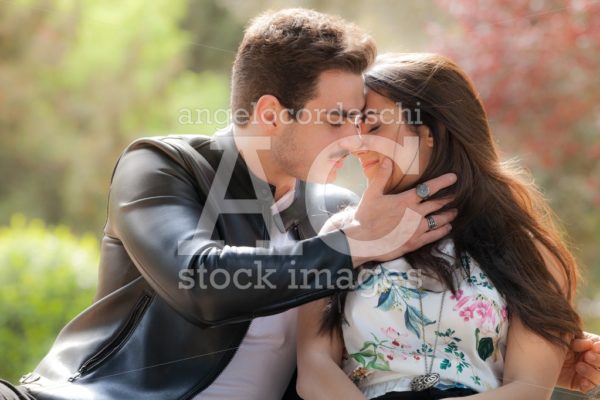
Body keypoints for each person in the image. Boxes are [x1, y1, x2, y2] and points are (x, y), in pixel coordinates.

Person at [0, 9, 598, 400]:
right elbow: (200, 280)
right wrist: (356, 245)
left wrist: (534, 358)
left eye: (363, 121)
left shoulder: (337, 209)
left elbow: (367, 343)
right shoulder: (163, 167)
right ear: (269, 115)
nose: (355, 139)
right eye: (339, 119)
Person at [296, 53, 600, 400]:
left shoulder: (527, 250)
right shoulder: (342, 233)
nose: (357, 145)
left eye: (374, 127)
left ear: (430, 133)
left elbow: (528, 389)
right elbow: (314, 365)